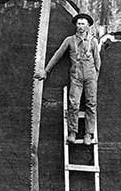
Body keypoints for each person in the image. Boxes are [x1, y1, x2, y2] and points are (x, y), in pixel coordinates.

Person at [36, 13, 101, 145]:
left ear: (88, 26)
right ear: (75, 25)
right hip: (76, 76)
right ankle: (73, 132)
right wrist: (46, 71)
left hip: (90, 77)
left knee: (91, 104)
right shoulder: (69, 40)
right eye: (78, 23)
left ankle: (88, 134)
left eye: (83, 23)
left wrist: (95, 79)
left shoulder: (93, 41)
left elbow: (97, 62)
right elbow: (57, 56)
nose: (80, 26)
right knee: (74, 104)